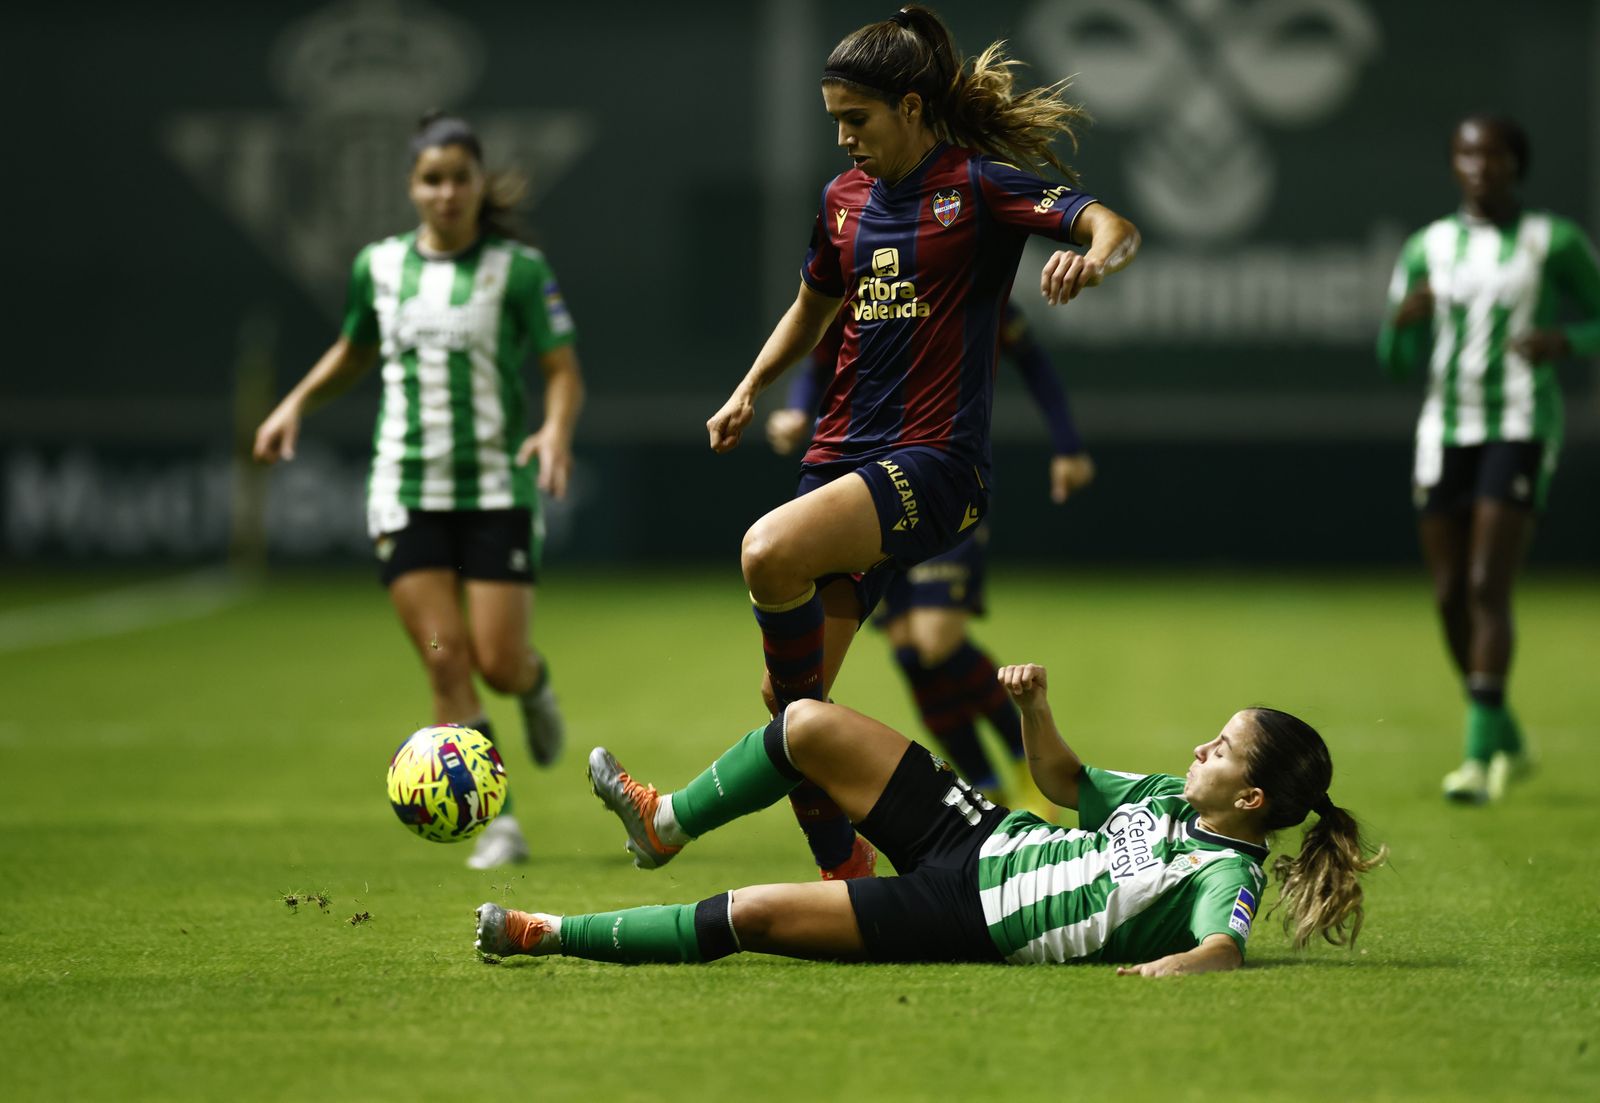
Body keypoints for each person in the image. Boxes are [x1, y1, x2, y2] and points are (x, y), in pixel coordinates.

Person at [704, 5, 1139, 879]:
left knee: (768, 551)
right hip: (839, 457)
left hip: (931, 464)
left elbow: (1112, 224)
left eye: (854, 120)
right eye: (832, 121)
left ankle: (674, 818)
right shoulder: (842, 203)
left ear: (910, 107)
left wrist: (1093, 257)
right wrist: (750, 386)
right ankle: (847, 871)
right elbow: (810, 309)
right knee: (790, 702)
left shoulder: (978, 186)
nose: (842, 140)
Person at [475, 663, 1385, 971]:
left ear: (1253, 799)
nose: (1201, 749)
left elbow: (1222, 946)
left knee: (748, 914)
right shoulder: (1162, 795)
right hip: (983, 835)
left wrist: (1173, 967)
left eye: (1221, 750)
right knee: (804, 725)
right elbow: (1063, 777)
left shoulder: (1229, 870)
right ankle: (663, 822)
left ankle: (543, 933)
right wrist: (1034, 709)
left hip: (966, 916)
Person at [253, 112, 585, 867]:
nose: (445, 193)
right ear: (411, 187)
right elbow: (353, 347)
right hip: (405, 493)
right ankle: (498, 821)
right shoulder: (378, 267)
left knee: (499, 661)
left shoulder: (519, 270)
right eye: (431, 179)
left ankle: (533, 688)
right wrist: (294, 403)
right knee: (444, 657)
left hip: (496, 491)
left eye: (458, 178)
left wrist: (557, 430)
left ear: (477, 184)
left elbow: (562, 369)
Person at [767, 302, 1094, 815]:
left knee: (936, 639)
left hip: (940, 478)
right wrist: (796, 408)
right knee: (910, 652)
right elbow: (820, 355)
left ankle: (1025, 765)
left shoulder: (965, 274)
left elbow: (1033, 360)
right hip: (866, 488)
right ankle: (987, 785)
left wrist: (1068, 447)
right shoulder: (867, 280)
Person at [1377, 114, 1600, 804]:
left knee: (1484, 584)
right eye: (1468, 154)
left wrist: (1564, 342)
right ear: (1453, 166)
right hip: (1445, 430)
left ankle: (1477, 759)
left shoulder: (1550, 241)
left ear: (1515, 165)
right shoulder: (1428, 247)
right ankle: (1503, 728)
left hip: (1519, 424)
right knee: (1449, 596)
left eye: (1494, 155)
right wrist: (1401, 327)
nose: (1480, 166)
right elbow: (1396, 363)